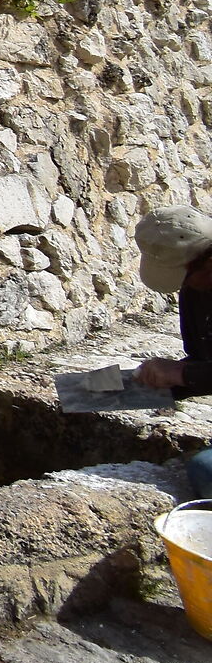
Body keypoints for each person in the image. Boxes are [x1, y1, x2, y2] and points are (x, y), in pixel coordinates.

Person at [131, 205, 212, 499]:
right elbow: (204, 362)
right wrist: (165, 381)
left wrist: (181, 373)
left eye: (187, 277)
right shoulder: (196, 289)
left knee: (205, 470)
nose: (186, 286)